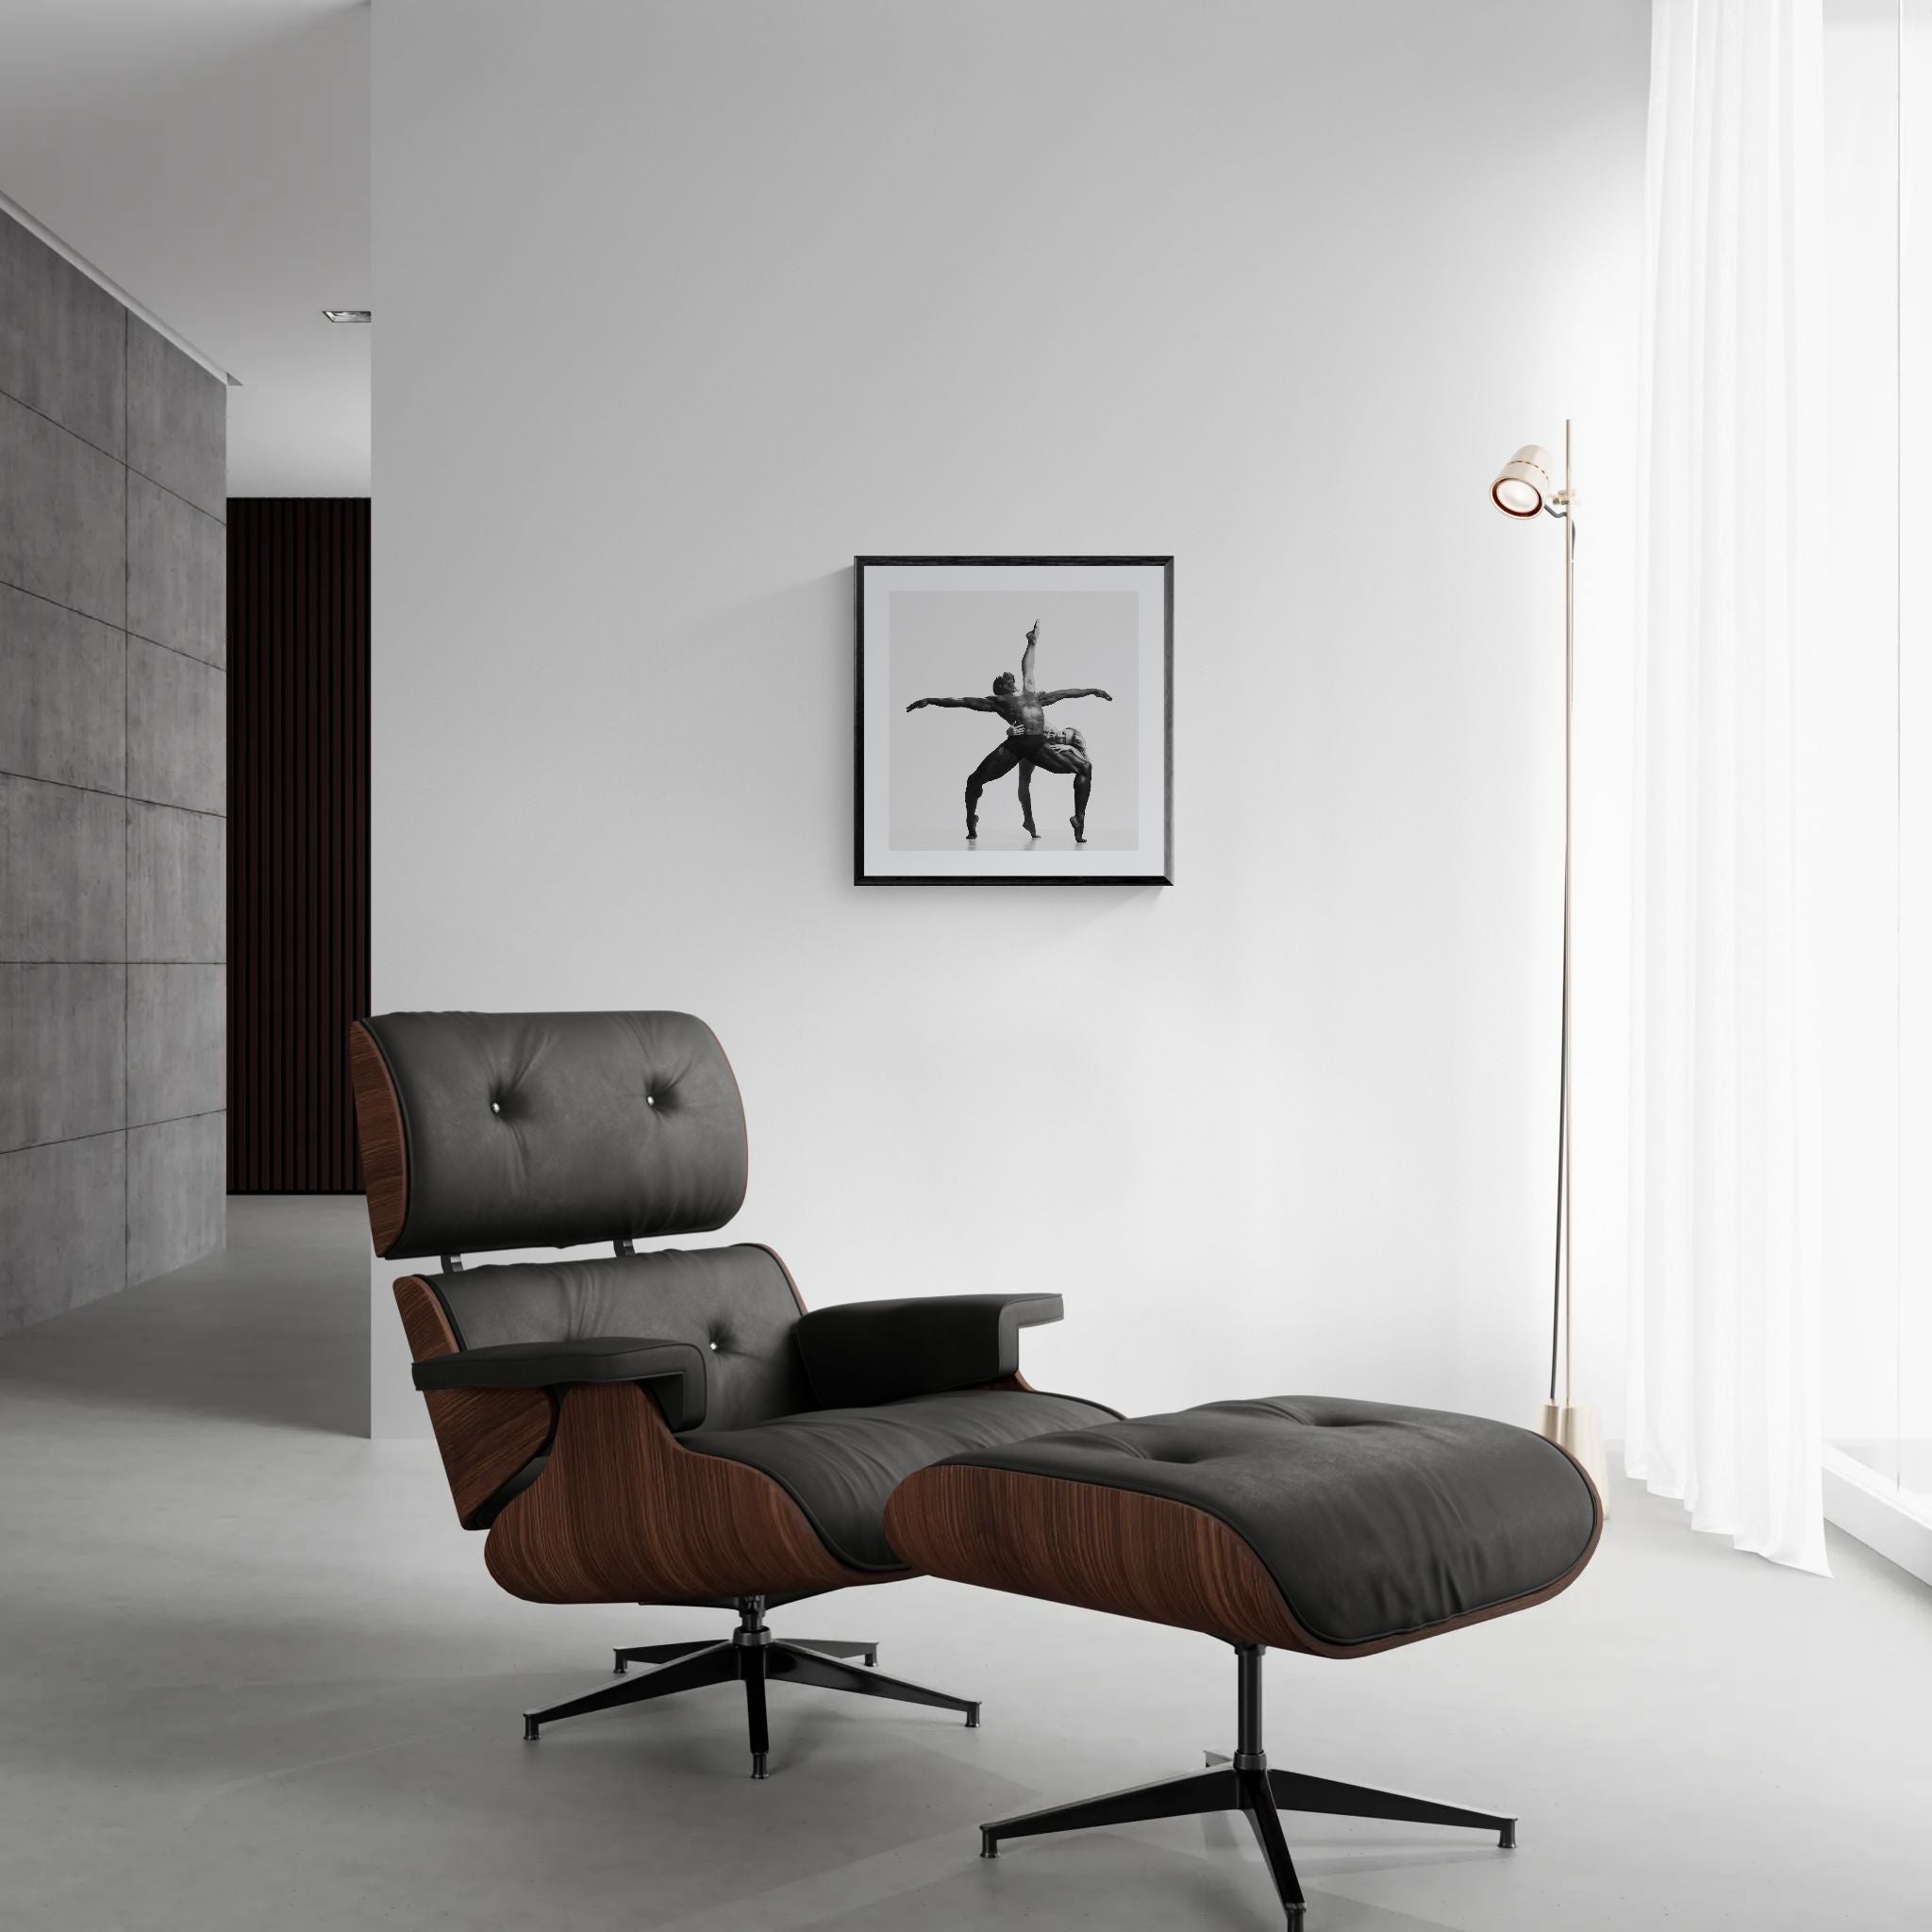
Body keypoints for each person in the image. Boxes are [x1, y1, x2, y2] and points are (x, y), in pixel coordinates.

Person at [905, 620, 1112, 841]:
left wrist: (1092, 690)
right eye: (1003, 678)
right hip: (1014, 747)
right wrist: (931, 700)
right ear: (1002, 688)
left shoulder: (1034, 695)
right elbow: (963, 701)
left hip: (1038, 746)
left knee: (1085, 768)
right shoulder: (998, 702)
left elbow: (1065, 691)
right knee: (974, 781)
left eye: (1008, 676)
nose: (1006, 675)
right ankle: (970, 820)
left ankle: (1079, 819)